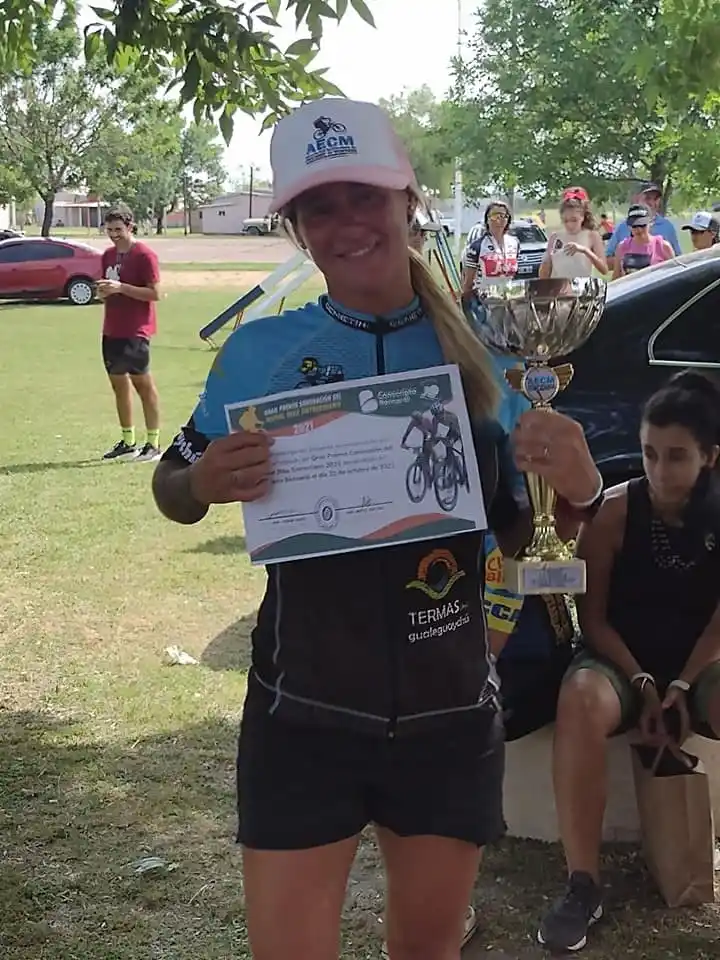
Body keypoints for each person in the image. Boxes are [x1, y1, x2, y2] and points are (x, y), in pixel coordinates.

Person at [152, 97, 603, 960]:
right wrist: (203, 479)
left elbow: (523, 538)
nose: (347, 223)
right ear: (296, 227)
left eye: (365, 195)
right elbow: (172, 487)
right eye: (320, 205)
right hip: (303, 717)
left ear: (409, 201)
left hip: (447, 718)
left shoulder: (494, 351)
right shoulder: (261, 351)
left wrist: (576, 491)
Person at [537, 370, 720, 954]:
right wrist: (642, 681)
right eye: (648, 453)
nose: (659, 471)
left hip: (700, 661)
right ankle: (582, 883)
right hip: (621, 659)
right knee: (581, 701)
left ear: (710, 457)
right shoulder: (615, 512)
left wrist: (684, 683)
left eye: (676, 457)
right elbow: (593, 619)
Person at [98, 203, 162, 462]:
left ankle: (154, 444)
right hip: (111, 329)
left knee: (143, 386)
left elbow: (156, 293)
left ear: (130, 226)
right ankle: (128, 441)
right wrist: (103, 292)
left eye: (118, 229)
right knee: (118, 385)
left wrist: (122, 287)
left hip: (136, 330)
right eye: (109, 229)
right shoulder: (107, 256)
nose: (113, 234)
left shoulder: (145, 255)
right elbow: (108, 291)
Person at [605, 182, 680, 271]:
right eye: (647, 198)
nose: (652, 202)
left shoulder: (667, 227)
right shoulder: (622, 227)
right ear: (637, 198)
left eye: (656, 199)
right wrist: (630, 260)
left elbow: (677, 261)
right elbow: (608, 263)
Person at [539, 188, 608, 279]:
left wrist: (584, 250)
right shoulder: (555, 237)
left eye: (574, 220)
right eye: (565, 221)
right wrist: (547, 258)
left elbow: (604, 270)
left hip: (581, 289)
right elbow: (543, 276)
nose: (570, 225)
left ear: (582, 217)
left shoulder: (592, 235)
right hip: (559, 289)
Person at [612, 205, 674, 277]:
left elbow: (674, 277)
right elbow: (616, 277)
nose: (639, 230)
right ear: (629, 226)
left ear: (651, 223)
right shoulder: (622, 247)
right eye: (634, 226)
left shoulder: (663, 246)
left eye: (642, 225)